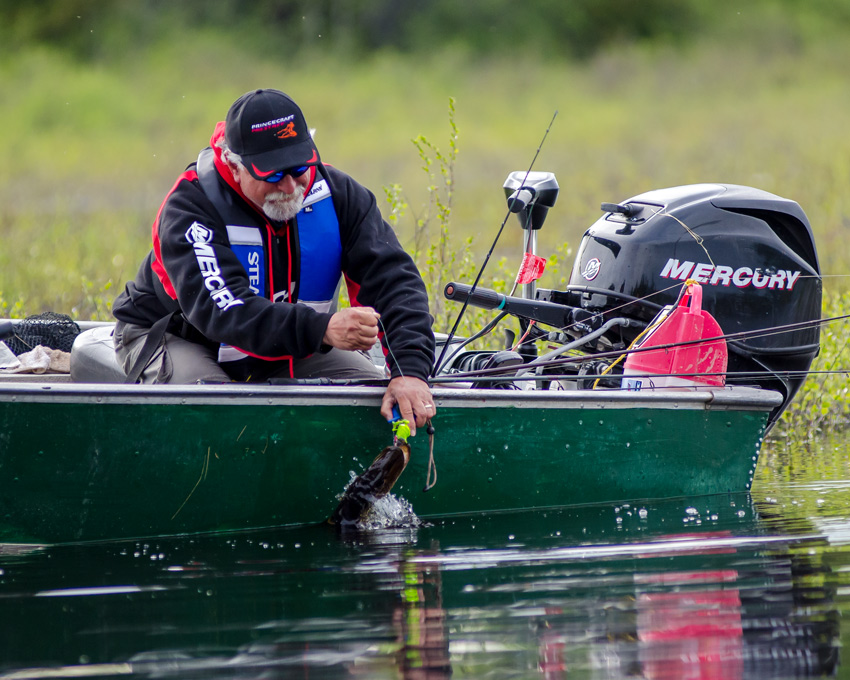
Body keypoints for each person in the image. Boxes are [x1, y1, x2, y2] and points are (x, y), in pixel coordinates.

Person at [112, 88, 436, 432]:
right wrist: (322, 329)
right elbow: (224, 311)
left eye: (298, 168)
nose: (288, 186)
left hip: (288, 342)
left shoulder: (341, 196)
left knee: (372, 407)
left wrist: (410, 372)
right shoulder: (190, 210)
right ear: (234, 166)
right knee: (216, 421)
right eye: (270, 174)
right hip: (179, 336)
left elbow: (394, 282)